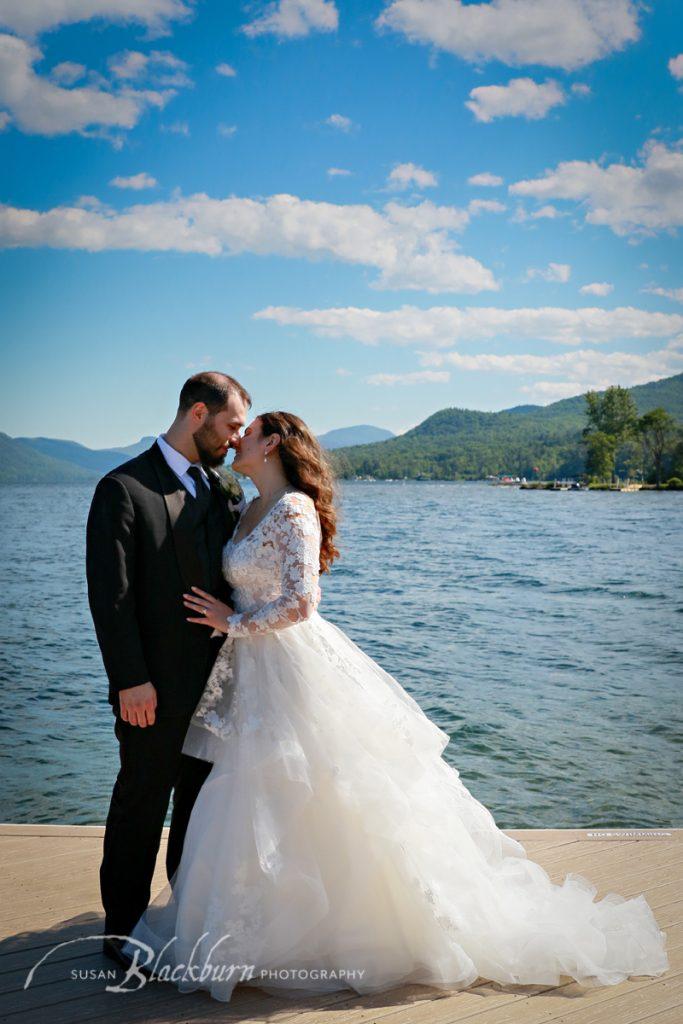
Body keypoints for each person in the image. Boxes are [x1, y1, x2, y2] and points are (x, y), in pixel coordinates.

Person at [123, 411, 669, 1000]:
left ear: (273, 443)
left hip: (290, 662)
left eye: (247, 433)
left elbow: (304, 602)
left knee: (317, 786)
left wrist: (235, 620)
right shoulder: (248, 506)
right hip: (251, 671)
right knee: (253, 794)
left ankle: (352, 933)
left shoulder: (295, 510)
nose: (237, 441)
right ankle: (254, 929)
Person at [85, 371, 250, 967]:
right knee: (140, 804)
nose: (236, 440)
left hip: (221, 687)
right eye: (232, 425)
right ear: (198, 414)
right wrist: (130, 679)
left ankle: (185, 916)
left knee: (201, 809)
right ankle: (121, 929)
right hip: (150, 688)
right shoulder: (123, 489)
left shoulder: (227, 491)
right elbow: (112, 597)